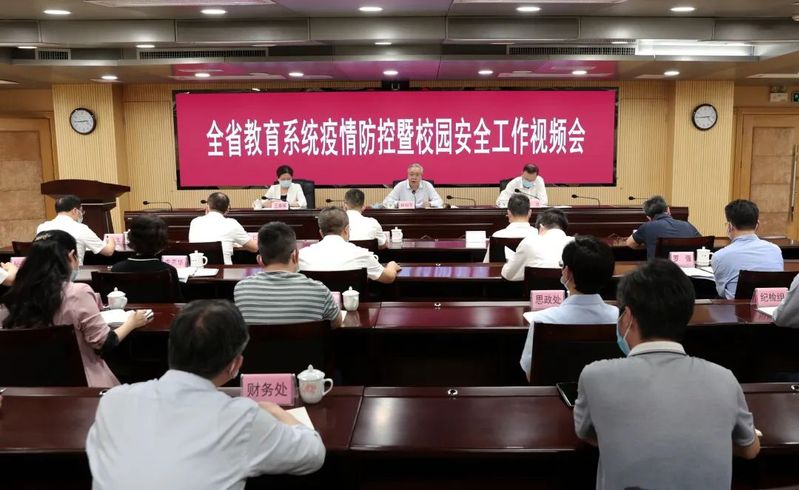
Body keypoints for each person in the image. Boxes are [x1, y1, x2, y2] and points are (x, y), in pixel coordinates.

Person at [86, 299, 325, 489]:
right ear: (235, 365)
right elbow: (314, 453)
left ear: (171, 348)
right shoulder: (241, 418)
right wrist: (274, 410)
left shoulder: (113, 402)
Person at [574, 259, 760, 489]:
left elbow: (588, 433)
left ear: (627, 317)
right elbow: (750, 449)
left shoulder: (594, 376)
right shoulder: (724, 379)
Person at [0, 230, 151, 387]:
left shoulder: (14, 296)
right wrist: (132, 322)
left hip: (26, 384)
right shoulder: (77, 293)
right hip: (81, 384)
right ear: (72, 256)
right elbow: (104, 343)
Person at [519, 236, 618, 380]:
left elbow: (530, 373)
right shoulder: (620, 319)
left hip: (554, 393)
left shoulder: (544, 320)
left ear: (567, 272)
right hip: (605, 392)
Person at [234, 222, 342, 327]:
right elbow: (336, 323)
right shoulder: (319, 290)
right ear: (295, 255)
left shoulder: (242, 289)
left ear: (259, 260)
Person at [299, 207, 401, 284]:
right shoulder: (362, 254)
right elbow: (388, 278)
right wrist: (391, 265)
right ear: (346, 230)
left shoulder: (302, 255)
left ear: (321, 233)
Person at [712, 199, 783, 299]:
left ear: (730, 226)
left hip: (734, 308)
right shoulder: (775, 250)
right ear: (757, 225)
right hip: (770, 307)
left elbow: (721, 292)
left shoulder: (719, 256)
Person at [111, 215, 183, 301]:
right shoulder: (169, 270)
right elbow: (177, 302)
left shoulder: (116, 268)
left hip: (127, 310)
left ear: (131, 238)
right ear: (161, 241)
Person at [36, 194, 116, 265]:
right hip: (73, 274)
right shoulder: (81, 228)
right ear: (75, 210)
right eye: (81, 211)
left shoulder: (42, 227)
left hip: (46, 274)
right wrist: (111, 240)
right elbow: (108, 251)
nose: (82, 214)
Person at [501, 208, 574, 281]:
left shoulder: (529, 242)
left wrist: (510, 261)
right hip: (569, 288)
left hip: (534, 288)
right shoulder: (576, 243)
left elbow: (509, 274)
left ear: (541, 227)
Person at [189, 192, 258, 265]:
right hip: (224, 270)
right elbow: (254, 248)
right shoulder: (232, 223)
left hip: (198, 268)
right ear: (227, 209)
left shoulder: (195, 222)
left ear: (207, 206)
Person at [625, 195, 700, 260]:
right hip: (685, 271)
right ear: (668, 210)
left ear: (648, 217)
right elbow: (702, 244)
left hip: (658, 270)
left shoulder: (647, 226)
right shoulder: (688, 225)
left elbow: (629, 243)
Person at [484, 193, 537, 262]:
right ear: (530, 212)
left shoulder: (497, 236)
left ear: (509, 213)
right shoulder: (539, 235)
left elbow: (488, 263)